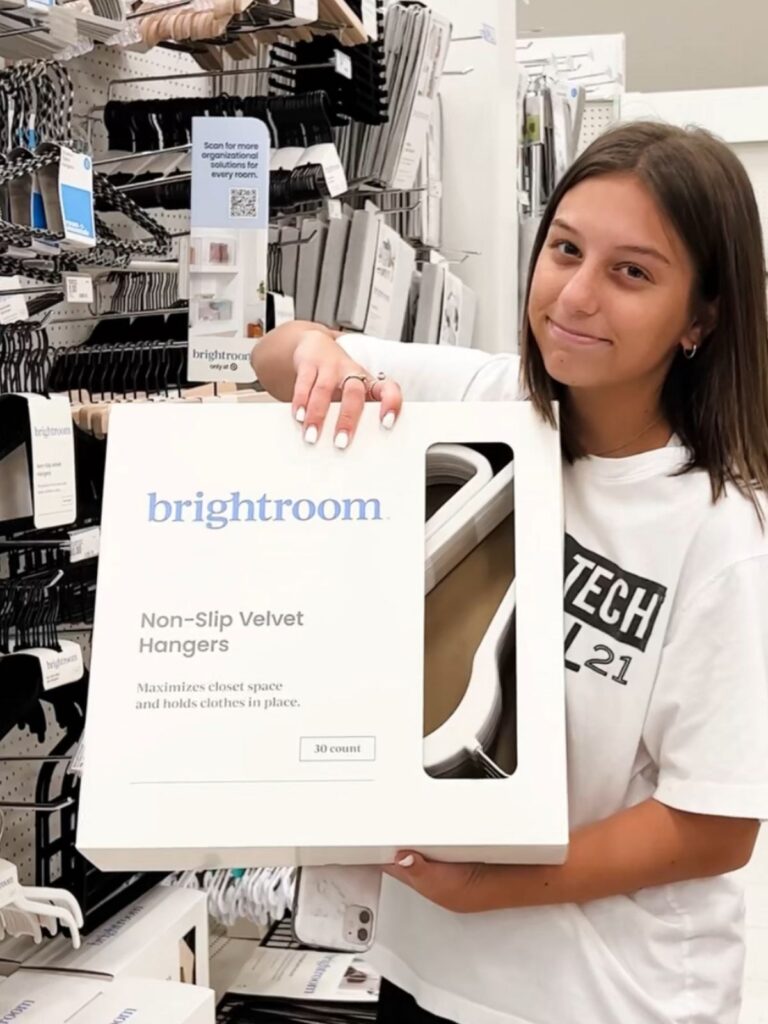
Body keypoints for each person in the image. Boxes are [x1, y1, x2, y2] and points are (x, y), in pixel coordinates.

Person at [252, 122, 768, 1024]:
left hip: (606, 1000)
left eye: (631, 272)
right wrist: (316, 357)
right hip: (426, 974)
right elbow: (275, 351)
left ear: (701, 318)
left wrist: (487, 888)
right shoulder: (483, 401)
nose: (576, 294)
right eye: (566, 249)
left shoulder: (723, 533)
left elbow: (712, 827)